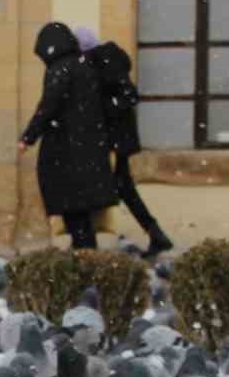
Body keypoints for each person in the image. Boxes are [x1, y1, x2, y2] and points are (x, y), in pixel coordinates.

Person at [73, 27, 173, 261]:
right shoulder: (104, 61)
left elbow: (129, 95)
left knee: (95, 189)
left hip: (114, 142)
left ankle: (86, 245)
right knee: (122, 188)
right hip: (115, 141)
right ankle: (156, 234)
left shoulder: (104, 62)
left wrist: (102, 111)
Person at [18, 22, 118, 250]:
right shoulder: (86, 67)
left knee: (75, 217)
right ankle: (87, 261)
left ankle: (85, 267)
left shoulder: (61, 69)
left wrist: (28, 137)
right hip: (89, 154)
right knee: (82, 218)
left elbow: (48, 106)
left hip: (67, 156)